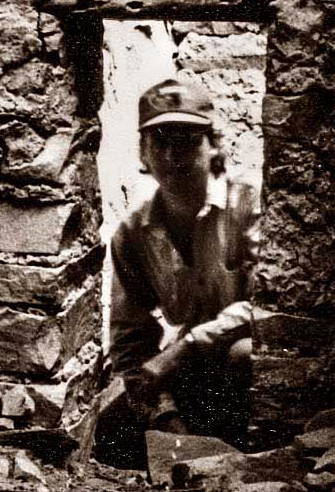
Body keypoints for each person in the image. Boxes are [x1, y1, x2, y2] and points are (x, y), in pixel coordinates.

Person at [97, 76, 258, 466]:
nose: (172, 156)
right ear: (143, 152)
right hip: (192, 375)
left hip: (239, 361)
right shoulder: (133, 233)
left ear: (212, 144)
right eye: (159, 142)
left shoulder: (247, 205)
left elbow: (267, 305)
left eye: (186, 141)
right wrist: (165, 417)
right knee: (111, 424)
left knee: (244, 355)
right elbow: (129, 342)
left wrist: (186, 347)